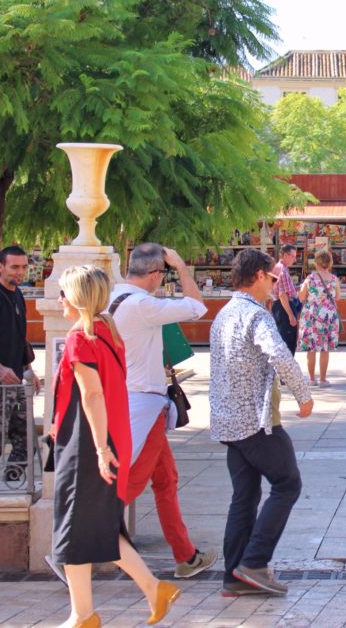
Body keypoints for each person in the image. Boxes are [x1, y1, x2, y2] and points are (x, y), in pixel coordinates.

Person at [51, 265, 180, 628]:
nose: (58, 300)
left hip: (88, 443)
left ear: (76, 300)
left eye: (63, 293)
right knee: (97, 526)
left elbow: (92, 395)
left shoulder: (81, 338)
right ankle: (104, 605)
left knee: (77, 528)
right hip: (104, 438)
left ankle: (86, 612)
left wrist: (100, 450)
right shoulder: (108, 332)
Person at [209, 248, 315, 597]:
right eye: (272, 278)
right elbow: (279, 353)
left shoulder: (223, 315)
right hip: (256, 421)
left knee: (245, 496)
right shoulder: (256, 316)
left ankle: (233, 577)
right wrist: (303, 393)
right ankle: (254, 562)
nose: (275, 283)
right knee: (288, 484)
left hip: (228, 421)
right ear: (257, 276)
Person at [108, 243, 216, 579]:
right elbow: (197, 306)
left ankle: (186, 555)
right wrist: (182, 266)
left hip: (130, 400)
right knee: (130, 485)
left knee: (165, 480)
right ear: (156, 274)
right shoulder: (142, 304)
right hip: (145, 405)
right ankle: (74, 547)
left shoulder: (113, 298)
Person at [0, 246, 40, 484]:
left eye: (24, 267)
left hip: (14, 379)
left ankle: (13, 489)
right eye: (14, 267)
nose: (20, 272)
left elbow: (19, 337)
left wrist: (27, 369)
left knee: (26, 444)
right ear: (0, 267)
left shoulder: (18, 295)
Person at [297, 249, 341, 386]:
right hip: (328, 316)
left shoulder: (310, 279)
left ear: (316, 263)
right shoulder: (334, 279)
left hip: (312, 316)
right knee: (324, 348)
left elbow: (301, 297)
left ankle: (311, 379)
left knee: (311, 348)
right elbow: (337, 297)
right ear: (330, 263)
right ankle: (322, 379)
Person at [270, 244, 300, 355]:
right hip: (284, 307)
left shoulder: (277, 268)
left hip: (279, 307)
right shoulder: (282, 270)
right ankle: (287, 369)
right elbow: (283, 295)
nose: (294, 259)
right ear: (286, 255)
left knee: (282, 339)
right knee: (288, 342)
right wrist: (290, 315)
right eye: (293, 256)